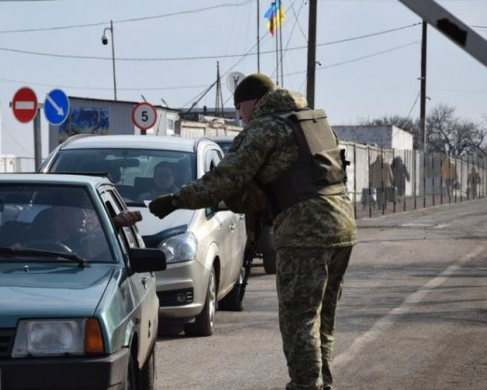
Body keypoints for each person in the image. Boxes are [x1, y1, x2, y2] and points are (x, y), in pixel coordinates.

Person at [148, 74, 356, 390]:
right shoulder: (311, 122)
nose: (240, 116)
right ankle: (322, 383)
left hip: (305, 230)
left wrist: (176, 199)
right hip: (342, 225)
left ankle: (306, 386)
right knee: (322, 318)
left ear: (254, 102)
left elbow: (225, 177)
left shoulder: (265, 128)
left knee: (299, 319)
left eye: (239, 108)